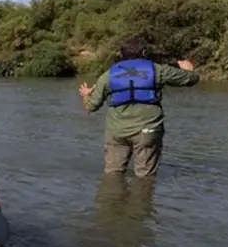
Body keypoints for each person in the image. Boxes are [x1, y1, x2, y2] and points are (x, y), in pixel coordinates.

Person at [79, 37, 199, 177]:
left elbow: (90, 107)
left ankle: (111, 197)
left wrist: (86, 95)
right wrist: (189, 70)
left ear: (121, 54)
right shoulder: (157, 70)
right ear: (144, 52)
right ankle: (143, 197)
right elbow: (191, 79)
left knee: (112, 175)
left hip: (117, 131)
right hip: (147, 130)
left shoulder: (107, 76)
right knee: (145, 178)